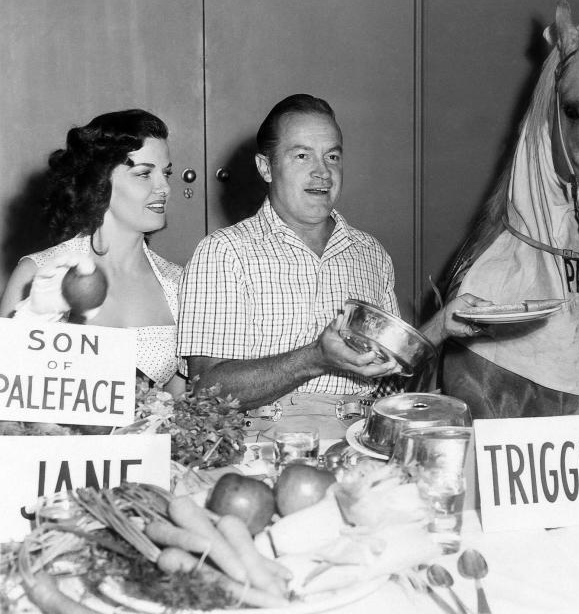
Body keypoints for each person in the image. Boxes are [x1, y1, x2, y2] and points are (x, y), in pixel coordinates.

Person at [177, 94, 487, 439]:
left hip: (362, 438)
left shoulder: (369, 253)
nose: (322, 172)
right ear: (265, 167)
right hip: (264, 444)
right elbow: (206, 390)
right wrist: (315, 358)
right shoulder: (224, 252)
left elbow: (389, 373)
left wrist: (442, 325)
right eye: (301, 155)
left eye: (332, 156)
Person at [0, 109, 185, 396]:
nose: (164, 188)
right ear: (100, 181)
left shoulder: (180, 284)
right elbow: (8, 399)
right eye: (144, 174)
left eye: (167, 173)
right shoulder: (37, 274)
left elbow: (185, 408)